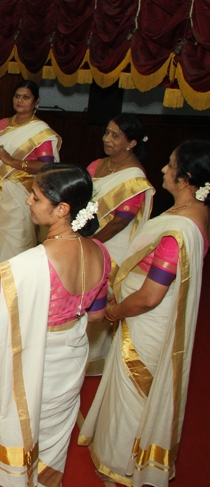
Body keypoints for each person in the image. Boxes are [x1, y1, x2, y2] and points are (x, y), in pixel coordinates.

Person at [79, 140, 210, 487]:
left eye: (171, 165)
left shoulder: (178, 231)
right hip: (152, 316)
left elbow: (151, 296)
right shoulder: (195, 212)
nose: (164, 169)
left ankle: (120, 463)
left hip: (147, 321)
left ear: (187, 177)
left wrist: (113, 312)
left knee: (133, 391)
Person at [0, 164, 111, 486]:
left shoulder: (27, 266)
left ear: (62, 209)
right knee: (52, 440)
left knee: (21, 436)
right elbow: (96, 315)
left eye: (35, 197)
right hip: (71, 364)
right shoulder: (100, 252)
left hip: (37, 365)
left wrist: (9, 297)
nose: (28, 202)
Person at [0, 80, 60, 308]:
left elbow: (46, 166)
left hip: (23, 196)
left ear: (36, 101)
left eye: (26, 97)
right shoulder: (3, 124)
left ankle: (13, 297)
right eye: (17, 96)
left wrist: (13, 162)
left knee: (16, 240)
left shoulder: (40, 132)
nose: (20, 100)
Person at [85, 114, 154, 375]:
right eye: (107, 132)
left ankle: (95, 359)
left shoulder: (134, 178)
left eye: (115, 135)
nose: (107, 139)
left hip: (113, 246)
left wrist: (90, 242)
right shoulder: (97, 165)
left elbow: (119, 223)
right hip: (90, 237)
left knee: (100, 294)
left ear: (132, 143)